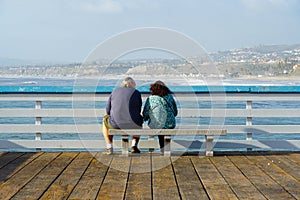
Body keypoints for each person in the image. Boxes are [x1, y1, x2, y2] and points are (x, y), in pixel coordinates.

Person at [102, 77, 143, 155]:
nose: (135, 85)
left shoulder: (115, 91)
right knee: (139, 120)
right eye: (134, 83)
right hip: (133, 124)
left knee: (105, 121)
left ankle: (109, 147)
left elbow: (108, 110)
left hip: (116, 123)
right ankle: (134, 146)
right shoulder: (137, 93)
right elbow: (138, 109)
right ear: (130, 84)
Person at [142, 80, 178, 154]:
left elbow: (145, 112)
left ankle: (163, 151)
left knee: (160, 128)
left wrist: (146, 118)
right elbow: (175, 111)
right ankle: (166, 150)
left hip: (157, 124)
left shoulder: (150, 99)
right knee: (166, 130)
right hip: (170, 123)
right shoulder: (170, 97)